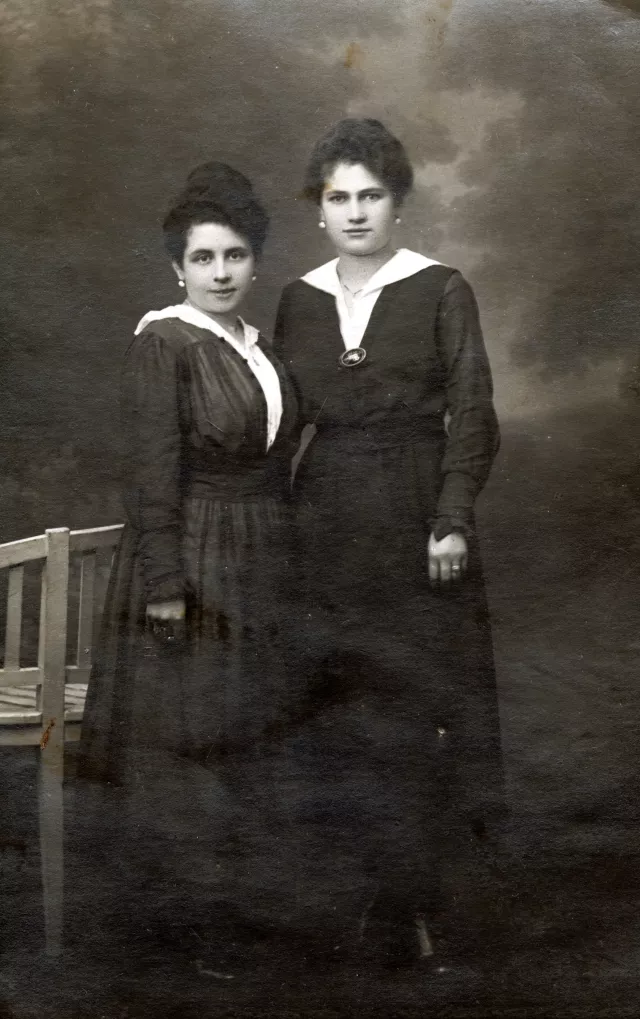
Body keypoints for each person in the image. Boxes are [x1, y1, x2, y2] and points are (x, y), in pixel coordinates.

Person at [274, 118, 506, 972]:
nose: (357, 211)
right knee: (339, 714)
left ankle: (422, 908)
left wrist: (450, 518)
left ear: (398, 203)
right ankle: (359, 904)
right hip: (323, 524)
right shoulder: (298, 299)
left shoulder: (442, 287)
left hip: (415, 521)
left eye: (372, 195)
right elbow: (281, 418)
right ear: (320, 209)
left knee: (417, 717)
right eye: (340, 197)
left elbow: (473, 411)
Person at [77, 163, 300, 969]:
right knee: (196, 735)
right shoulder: (162, 340)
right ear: (178, 265)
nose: (220, 273)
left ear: (254, 260)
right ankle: (199, 929)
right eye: (203, 258)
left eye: (234, 256)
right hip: (197, 558)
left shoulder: (257, 344)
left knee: (251, 731)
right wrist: (165, 587)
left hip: (262, 557)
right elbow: (149, 472)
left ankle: (246, 913)